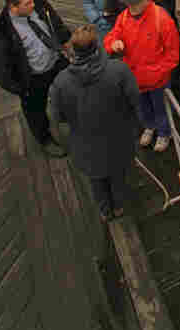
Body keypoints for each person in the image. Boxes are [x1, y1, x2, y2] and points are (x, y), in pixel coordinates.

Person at [49, 25, 141, 222]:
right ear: (97, 46)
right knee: (118, 176)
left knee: (96, 179)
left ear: (74, 51)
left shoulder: (61, 82)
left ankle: (105, 210)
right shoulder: (119, 70)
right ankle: (119, 207)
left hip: (85, 143)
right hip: (119, 138)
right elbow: (134, 100)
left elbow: (56, 116)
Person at [0, 0, 70, 156]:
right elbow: (2, 69)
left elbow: (56, 24)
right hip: (33, 77)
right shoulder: (1, 33)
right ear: (13, 7)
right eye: (27, 4)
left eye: (32, 0)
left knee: (73, 90)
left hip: (56, 62)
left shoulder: (40, 6)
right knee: (35, 110)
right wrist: (21, 88)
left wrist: (64, 40)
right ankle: (45, 139)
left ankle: (73, 118)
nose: (33, 5)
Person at [104, 0, 180, 152]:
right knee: (143, 107)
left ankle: (164, 133)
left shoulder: (162, 19)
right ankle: (149, 127)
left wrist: (156, 73)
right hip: (133, 78)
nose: (131, 7)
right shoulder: (123, 17)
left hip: (157, 80)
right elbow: (112, 35)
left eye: (135, 3)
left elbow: (173, 54)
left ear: (147, 0)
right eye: (129, 3)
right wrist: (113, 44)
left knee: (161, 109)